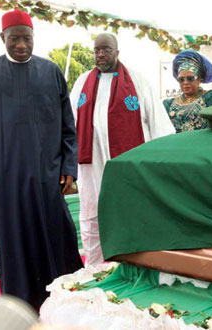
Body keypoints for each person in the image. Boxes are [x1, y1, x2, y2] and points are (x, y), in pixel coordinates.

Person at [0, 9, 83, 310]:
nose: (21, 45)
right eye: (14, 39)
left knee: (57, 239)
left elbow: (68, 128)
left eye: (26, 39)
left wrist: (69, 167)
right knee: (14, 246)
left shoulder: (51, 72)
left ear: (33, 38)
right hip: (6, 180)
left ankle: (64, 305)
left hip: (47, 177)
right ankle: (19, 309)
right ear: (2, 37)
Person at [70, 33, 175, 266]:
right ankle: (94, 270)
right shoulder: (82, 82)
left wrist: (162, 164)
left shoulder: (138, 81)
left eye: (106, 49)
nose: (100, 54)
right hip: (92, 165)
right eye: (96, 50)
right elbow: (69, 123)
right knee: (92, 215)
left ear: (117, 52)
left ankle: (136, 266)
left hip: (130, 167)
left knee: (132, 214)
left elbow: (159, 125)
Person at [163, 50, 212, 132]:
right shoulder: (169, 104)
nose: (185, 83)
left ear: (199, 79)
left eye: (190, 78)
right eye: (181, 79)